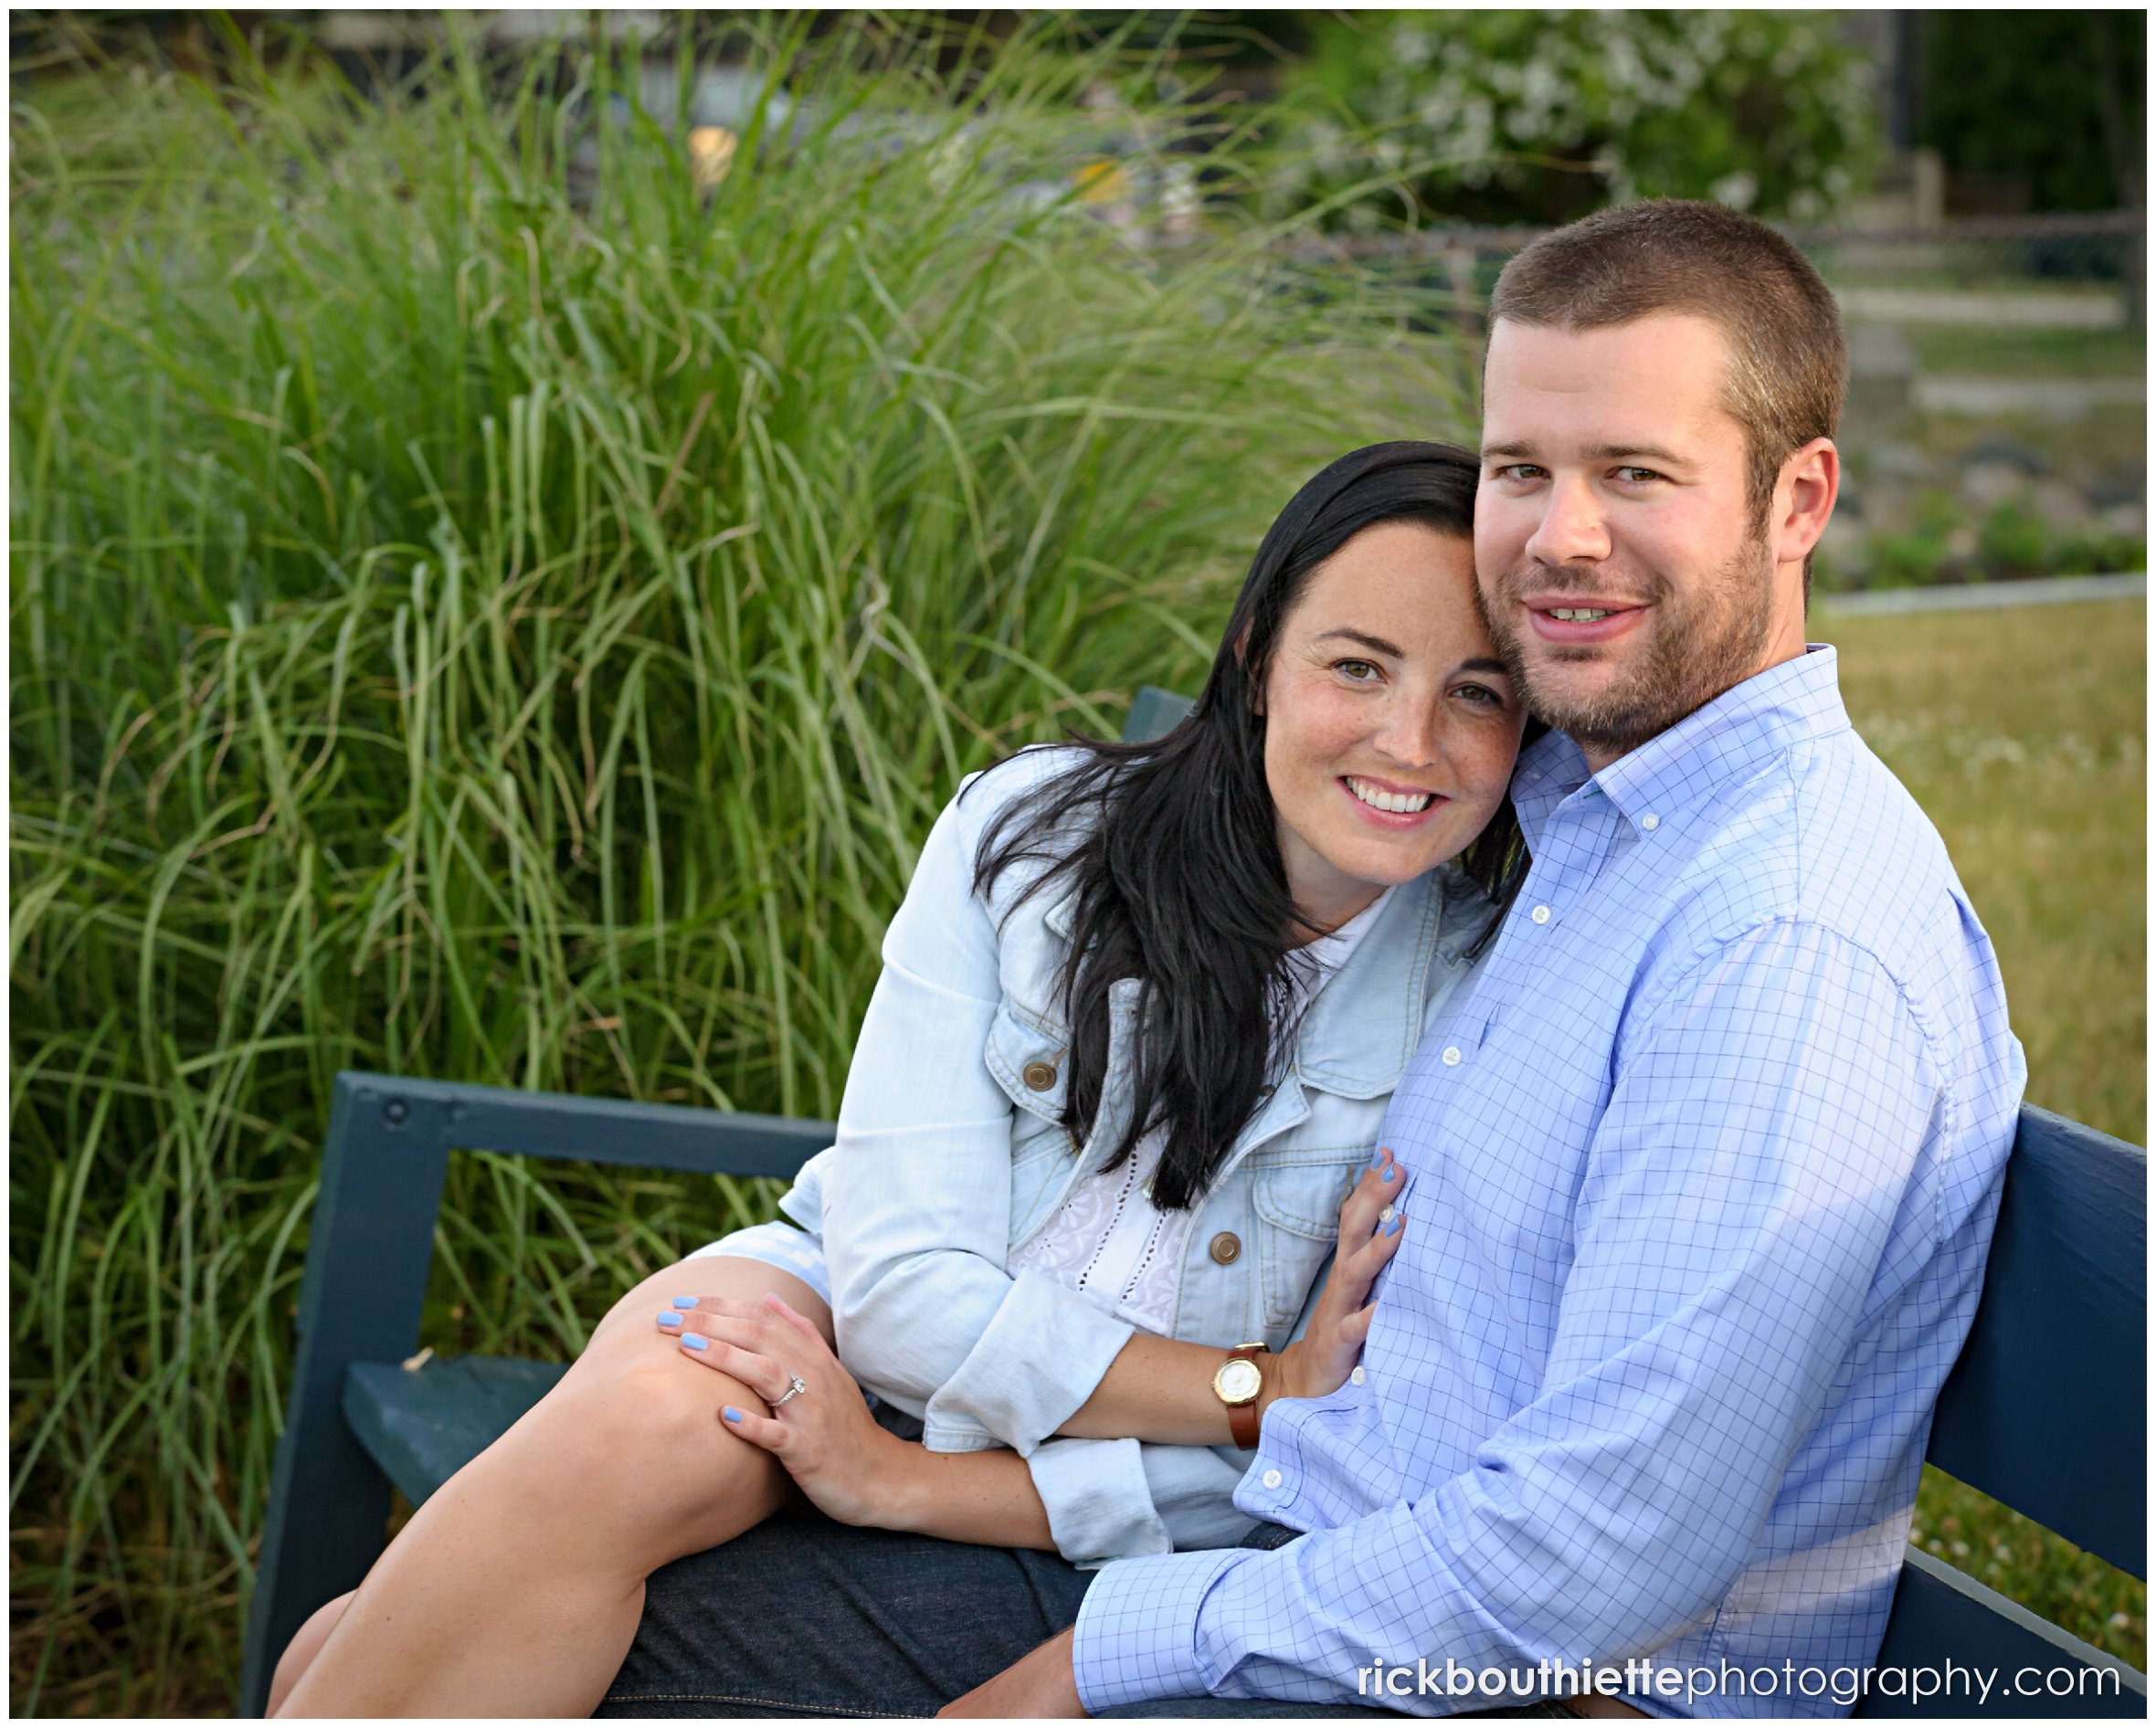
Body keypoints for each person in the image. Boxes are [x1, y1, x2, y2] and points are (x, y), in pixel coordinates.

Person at [595, 201, 2024, 1722]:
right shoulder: (1589, 838)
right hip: (1286, 1567)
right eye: (1521, 470)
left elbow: (1585, 1563)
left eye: (1636, 476)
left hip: (1473, 1680)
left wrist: (1101, 1657)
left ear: (1797, 501)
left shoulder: (1781, 938)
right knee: (518, 1630)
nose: (1562, 536)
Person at [269, 441, 1533, 1717]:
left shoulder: (1495, 1004)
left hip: (1098, 1487)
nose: (1409, 741)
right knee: (641, 1427)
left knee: (334, 1650)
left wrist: (912, 1479)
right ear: (1261, 651)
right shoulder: (1040, 833)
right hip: (850, 1317)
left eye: (1478, 694)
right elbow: (894, 1291)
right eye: (1357, 666)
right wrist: (1254, 1387)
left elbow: (1336, 1459)